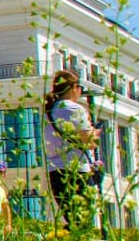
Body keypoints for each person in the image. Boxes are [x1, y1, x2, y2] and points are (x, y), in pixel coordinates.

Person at [43, 69, 100, 232]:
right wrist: (94, 133)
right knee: (83, 220)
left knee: (72, 218)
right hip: (75, 170)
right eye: (79, 87)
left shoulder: (49, 111)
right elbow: (90, 142)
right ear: (73, 87)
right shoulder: (74, 109)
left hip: (55, 170)